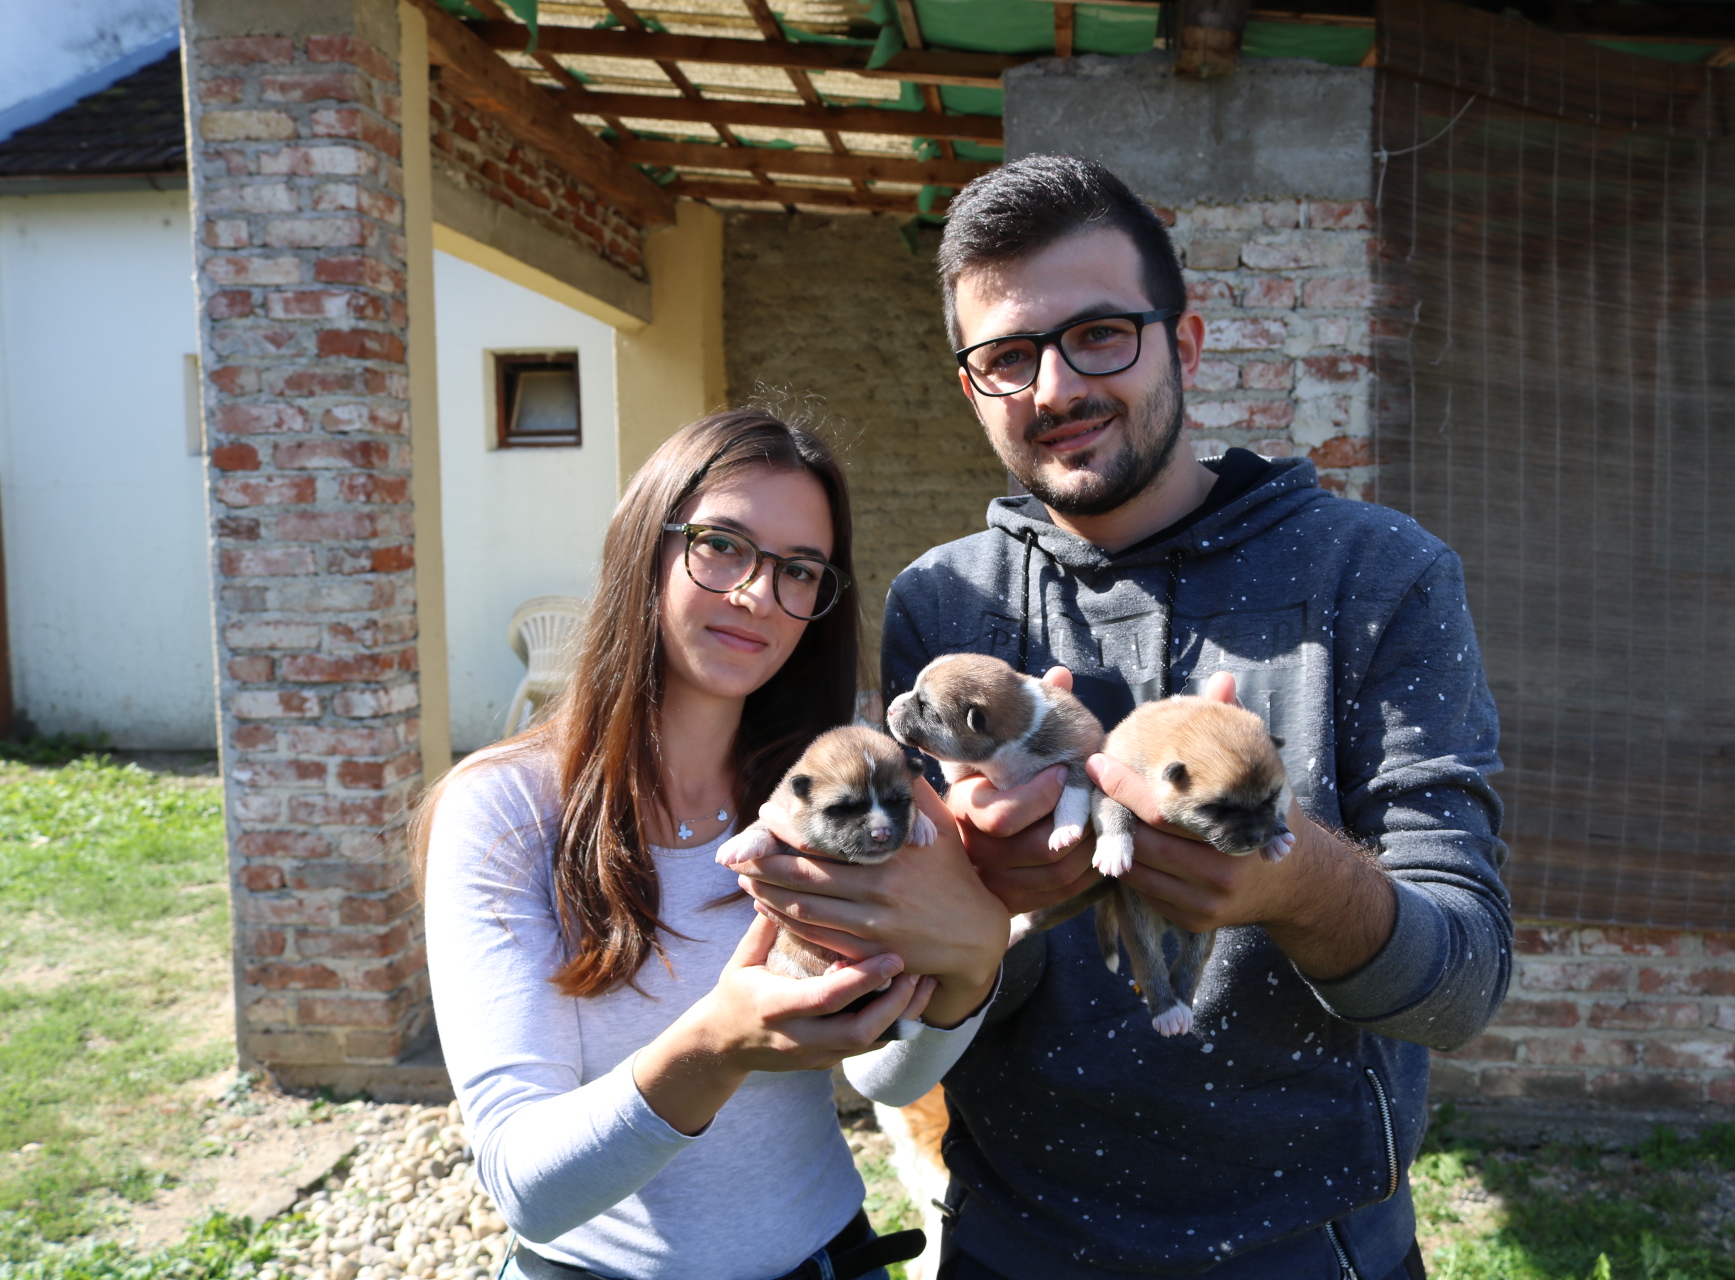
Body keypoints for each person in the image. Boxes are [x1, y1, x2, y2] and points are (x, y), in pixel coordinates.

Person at [737, 156, 1511, 1279]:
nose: (1055, 387)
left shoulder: (1378, 576)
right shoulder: (943, 603)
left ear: (1183, 345)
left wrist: (1291, 880)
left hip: (1308, 1248)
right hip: (1014, 1240)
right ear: (973, 388)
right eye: (1007, 356)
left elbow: (1463, 981)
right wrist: (985, 906)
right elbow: (939, 982)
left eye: (1099, 333)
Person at [417, 409, 1009, 1280]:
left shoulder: (847, 787)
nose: (757, 595)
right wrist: (716, 1045)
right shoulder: (505, 811)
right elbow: (525, 1189)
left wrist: (970, 973)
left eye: (799, 570)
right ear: (644, 546)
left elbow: (882, 1079)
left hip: (833, 1261)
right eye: (722, 545)